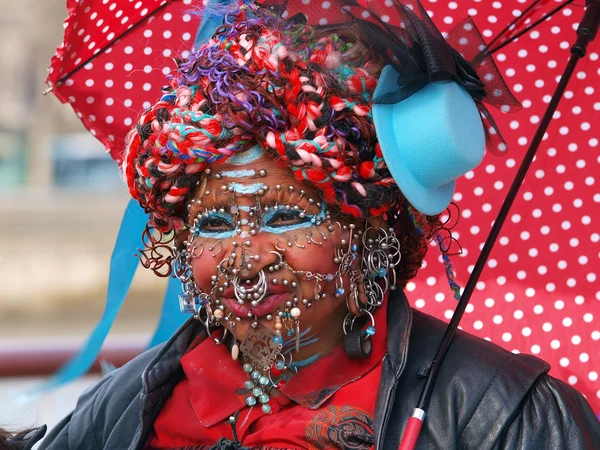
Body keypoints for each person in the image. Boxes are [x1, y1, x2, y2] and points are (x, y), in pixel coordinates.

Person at [30, 1, 600, 449]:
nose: (246, 259)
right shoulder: (130, 402)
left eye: (284, 217)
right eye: (216, 223)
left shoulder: (506, 416)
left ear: (371, 233)